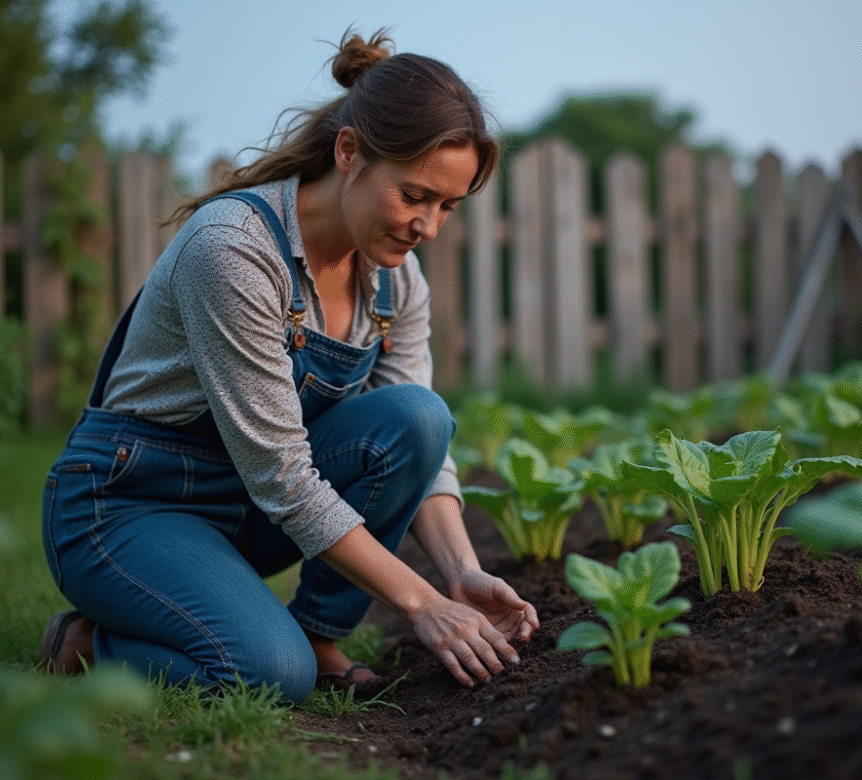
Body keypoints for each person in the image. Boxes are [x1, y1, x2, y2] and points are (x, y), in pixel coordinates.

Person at [38, 29, 538, 704]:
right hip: (127, 505)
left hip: (244, 504)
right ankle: (88, 642)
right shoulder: (235, 250)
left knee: (419, 418)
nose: (430, 227)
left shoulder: (397, 281)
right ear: (349, 152)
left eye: (447, 206)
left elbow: (421, 449)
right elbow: (282, 473)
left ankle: (315, 633)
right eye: (415, 196)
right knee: (265, 676)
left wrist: (460, 575)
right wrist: (422, 607)